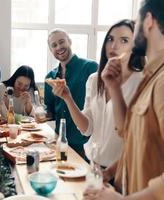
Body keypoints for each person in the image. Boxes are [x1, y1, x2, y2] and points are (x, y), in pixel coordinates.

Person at [83, 0, 164, 199]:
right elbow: (133, 138)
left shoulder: (162, 82)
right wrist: (111, 171)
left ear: (148, 21)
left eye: (135, 23)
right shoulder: (151, 77)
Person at [49, 20, 143, 168]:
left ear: (135, 46)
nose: (114, 46)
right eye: (110, 39)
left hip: (122, 172)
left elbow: (136, 137)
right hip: (91, 165)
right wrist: (67, 98)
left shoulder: (141, 82)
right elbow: (87, 129)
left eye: (124, 40)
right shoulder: (94, 79)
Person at [44, 29, 98, 158]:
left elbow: (100, 108)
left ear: (70, 41)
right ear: (51, 50)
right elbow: (50, 113)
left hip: (85, 144)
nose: (59, 47)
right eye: (54, 45)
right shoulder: (50, 77)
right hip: (60, 142)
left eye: (62, 42)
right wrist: (34, 109)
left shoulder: (91, 68)